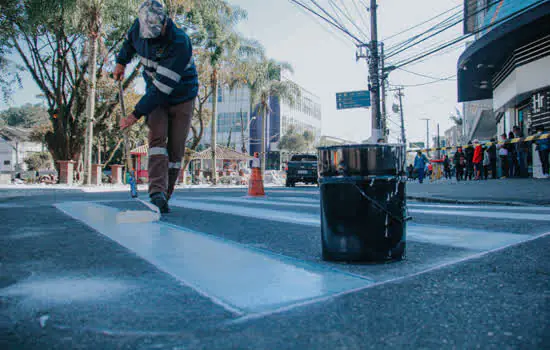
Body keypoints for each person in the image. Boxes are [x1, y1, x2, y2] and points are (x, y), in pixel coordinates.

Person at [114, 0, 199, 213]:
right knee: (157, 140)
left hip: (182, 95)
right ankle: (156, 193)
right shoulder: (138, 28)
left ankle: (165, 195)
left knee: (175, 149)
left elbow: (162, 89)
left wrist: (134, 115)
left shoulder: (180, 42)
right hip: (155, 93)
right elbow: (128, 44)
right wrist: (121, 62)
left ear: (164, 23)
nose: (150, 41)